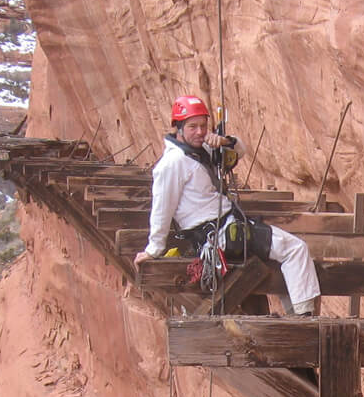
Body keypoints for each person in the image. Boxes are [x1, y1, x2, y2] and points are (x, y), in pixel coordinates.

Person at [134, 95, 321, 316]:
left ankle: (297, 314)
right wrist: (153, 250)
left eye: (203, 126)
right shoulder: (172, 163)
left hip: (226, 230)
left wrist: (224, 141)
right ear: (178, 128)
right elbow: (162, 209)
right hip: (221, 235)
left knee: (280, 255)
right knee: (295, 249)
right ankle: (304, 317)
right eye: (193, 126)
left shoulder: (200, 151)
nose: (200, 132)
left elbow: (240, 150)